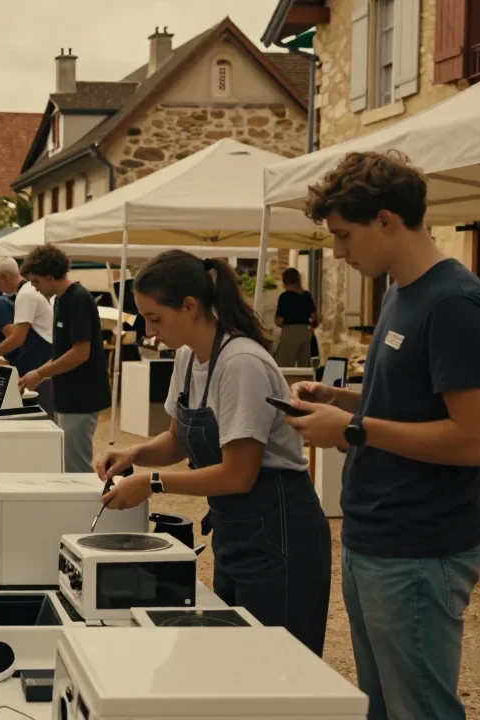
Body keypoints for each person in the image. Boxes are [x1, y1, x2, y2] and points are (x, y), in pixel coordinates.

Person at [288, 152, 480, 720]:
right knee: (382, 705)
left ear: (385, 220)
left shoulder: (455, 302)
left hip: (419, 545)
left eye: (342, 235)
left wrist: (354, 429)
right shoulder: (399, 293)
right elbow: (412, 404)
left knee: (421, 709)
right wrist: (341, 400)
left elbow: (478, 441)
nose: (336, 252)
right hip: (376, 538)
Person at [92, 249, 332, 656]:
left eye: (155, 318)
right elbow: (178, 440)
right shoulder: (187, 357)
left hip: (280, 530)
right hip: (235, 529)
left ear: (190, 306)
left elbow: (239, 474)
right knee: (236, 659)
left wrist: (150, 482)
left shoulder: (240, 363)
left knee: (278, 667)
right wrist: (133, 454)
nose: (149, 333)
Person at [18, 246, 108, 473]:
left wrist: (40, 373)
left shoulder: (78, 299)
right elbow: (62, 353)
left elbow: (80, 353)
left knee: (75, 465)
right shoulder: (60, 300)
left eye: (36, 282)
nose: (35, 289)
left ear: (50, 277)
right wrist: (38, 373)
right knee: (67, 461)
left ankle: (91, 507)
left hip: (81, 395)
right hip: (67, 393)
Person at [0, 257, 56, 415]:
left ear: (2, 277)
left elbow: (17, 338)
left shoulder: (25, 294)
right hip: (39, 360)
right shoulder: (26, 291)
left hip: (41, 363)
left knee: (45, 416)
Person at [272, 268, 318, 367]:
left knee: (285, 364)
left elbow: (279, 320)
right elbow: (314, 317)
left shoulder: (285, 296)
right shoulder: (306, 295)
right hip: (305, 332)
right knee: (304, 365)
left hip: (290, 331)